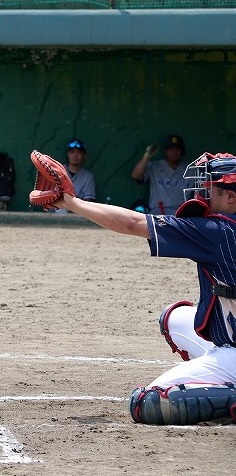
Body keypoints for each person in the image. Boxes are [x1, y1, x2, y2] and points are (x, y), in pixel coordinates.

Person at [48, 151, 236, 425]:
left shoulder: (218, 231)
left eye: (210, 188)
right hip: (229, 340)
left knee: (148, 403)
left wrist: (71, 202)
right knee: (172, 318)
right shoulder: (220, 228)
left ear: (230, 197)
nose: (203, 193)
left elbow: (132, 223)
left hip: (232, 353)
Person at [130, 135, 191, 215]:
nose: (174, 152)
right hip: (158, 211)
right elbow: (135, 175)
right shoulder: (154, 166)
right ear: (166, 151)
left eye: (177, 149)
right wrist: (147, 156)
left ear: (181, 151)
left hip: (181, 213)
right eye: (171, 149)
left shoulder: (190, 169)